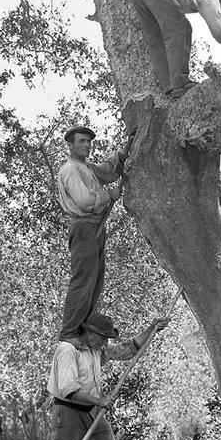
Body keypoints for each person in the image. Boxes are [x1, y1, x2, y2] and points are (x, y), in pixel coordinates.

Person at [42, 311, 169, 440]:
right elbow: (68, 389)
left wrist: (152, 329)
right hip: (68, 412)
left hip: (91, 411)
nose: (105, 342)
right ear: (90, 332)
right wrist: (100, 401)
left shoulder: (95, 349)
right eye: (103, 337)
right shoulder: (68, 350)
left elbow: (127, 350)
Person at [56, 125, 132, 341]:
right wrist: (108, 195)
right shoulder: (70, 169)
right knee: (83, 282)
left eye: (89, 141)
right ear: (70, 145)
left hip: (95, 227)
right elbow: (84, 201)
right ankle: (69, 334)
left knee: (95, 283)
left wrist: (124, 151)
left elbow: (107, 172)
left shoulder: (87, 167)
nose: (87, 145)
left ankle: (82, 331)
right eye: (82, 141)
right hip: (84, 228)